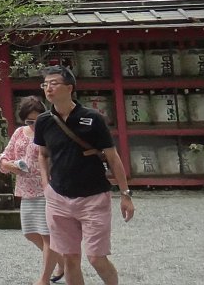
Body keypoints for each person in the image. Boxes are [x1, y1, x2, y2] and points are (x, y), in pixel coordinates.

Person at [34, 65, 135, 285]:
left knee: (96, 257)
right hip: (58, 197)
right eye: (45, 84)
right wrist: (45, 183)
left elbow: (113, 157)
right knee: (70, 257)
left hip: (93, 195)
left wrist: (125, 194)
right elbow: (42, 154)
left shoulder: (92, 118)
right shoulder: (43, 120)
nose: (48, 88)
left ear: (69, 88)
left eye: (53, 83)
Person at [0, 96, 63, 285]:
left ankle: (44, 278)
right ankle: (61, 261)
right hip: (25, 190)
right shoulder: (19, 132)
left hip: (47, 189)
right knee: (30, 233)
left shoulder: (52, 132)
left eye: (37, 120)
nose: (34, 125)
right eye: (29, 121)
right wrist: (9, 165)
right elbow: (4, 155)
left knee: (47, 235)